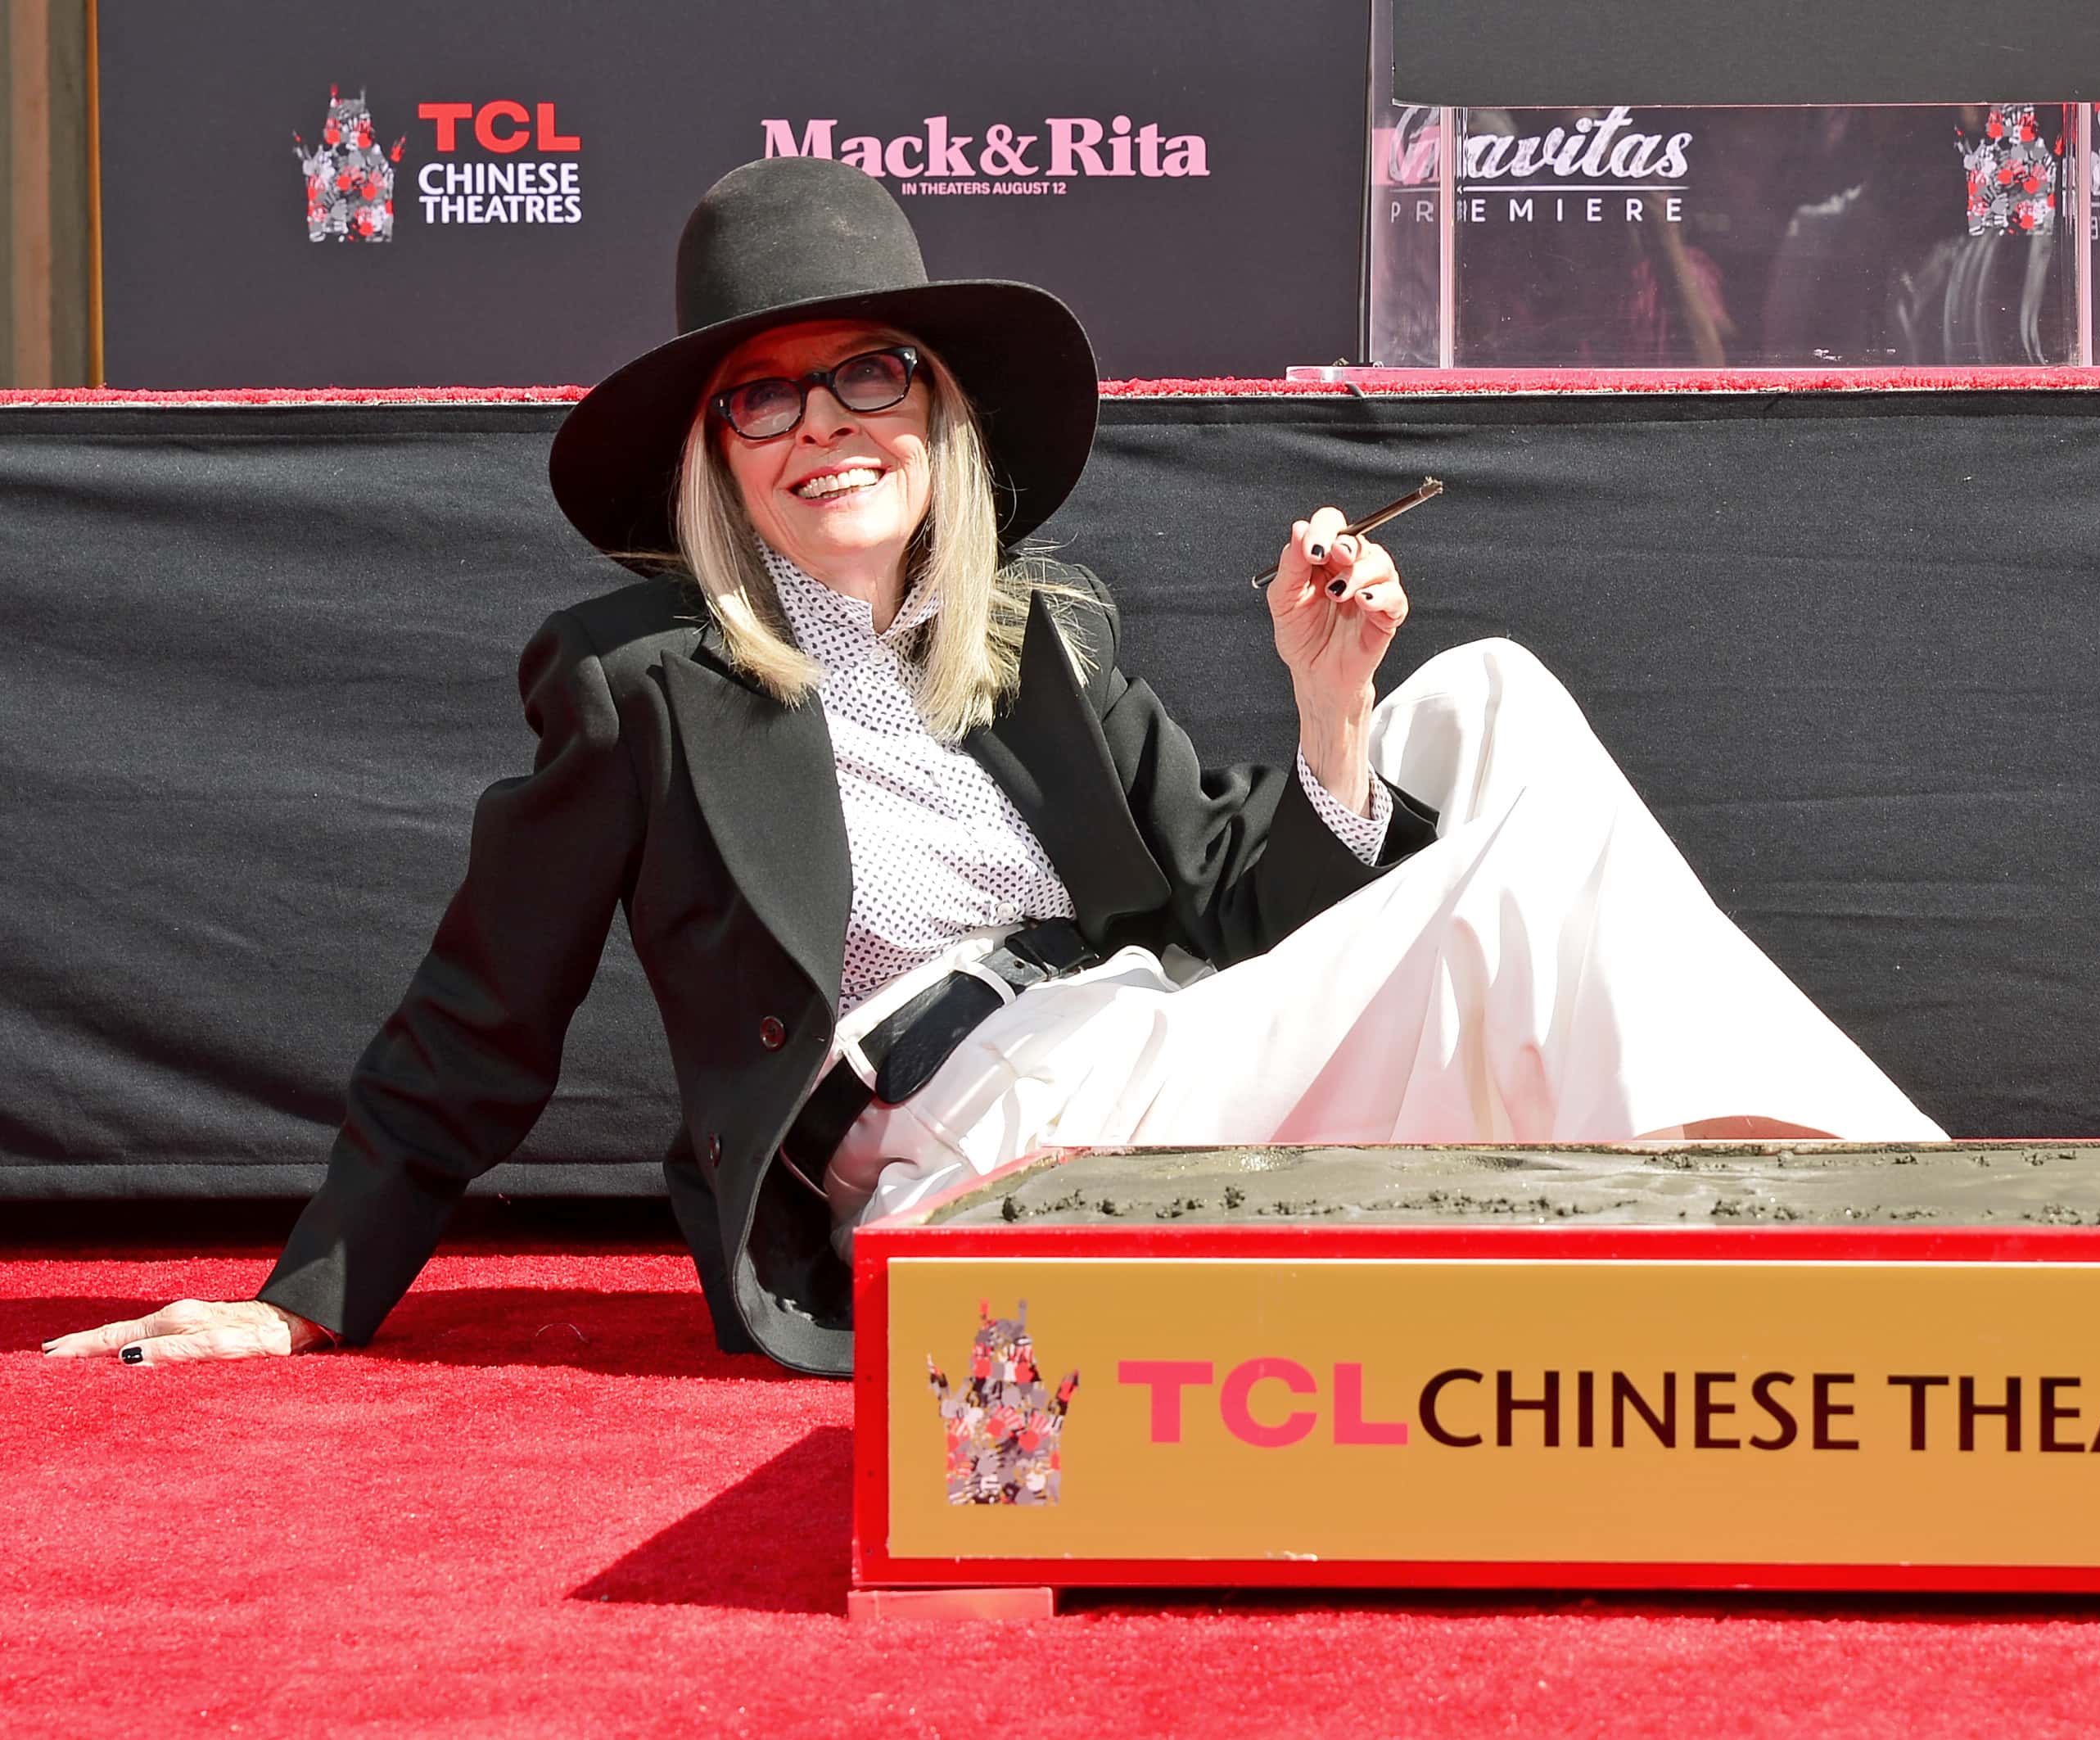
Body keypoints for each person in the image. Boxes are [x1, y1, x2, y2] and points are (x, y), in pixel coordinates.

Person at [43, 157, 1942, 1376]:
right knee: (1497, 903)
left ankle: (1842, 1211)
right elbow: (483, 1008)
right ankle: (1866, 1230)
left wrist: (1330, 700)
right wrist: (303, 1296)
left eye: (868, 376)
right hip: (970, 1146)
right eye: (761, 396)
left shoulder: (1049, 632)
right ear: (716, 456)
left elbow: (1235, 906)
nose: (822, 427)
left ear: (937, 418)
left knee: (1492, 693)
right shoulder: (638, 681)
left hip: (1166, 1048)